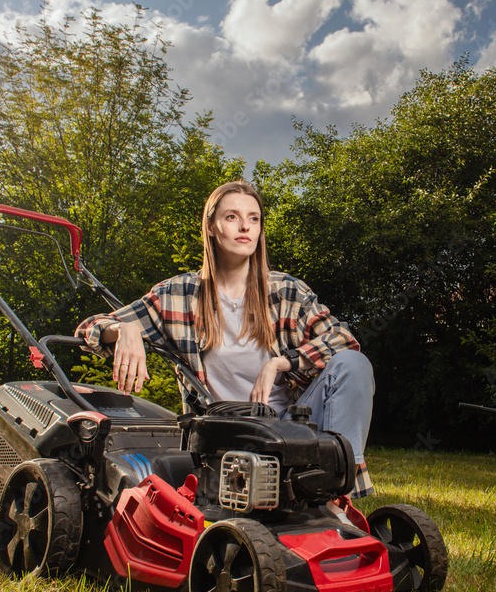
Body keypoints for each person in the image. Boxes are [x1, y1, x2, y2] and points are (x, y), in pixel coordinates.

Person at [75, 180, 374, 498]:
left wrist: (281, 362)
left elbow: (344, 340)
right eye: (232, 216)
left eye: (254, 218)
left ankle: (334, 489)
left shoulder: (287, 291)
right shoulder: (177, 295)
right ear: (212, 227)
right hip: (223, 437)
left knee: (353, 364)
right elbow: (88, 330)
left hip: (288, 426)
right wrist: (125, 329)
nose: (245, 226)